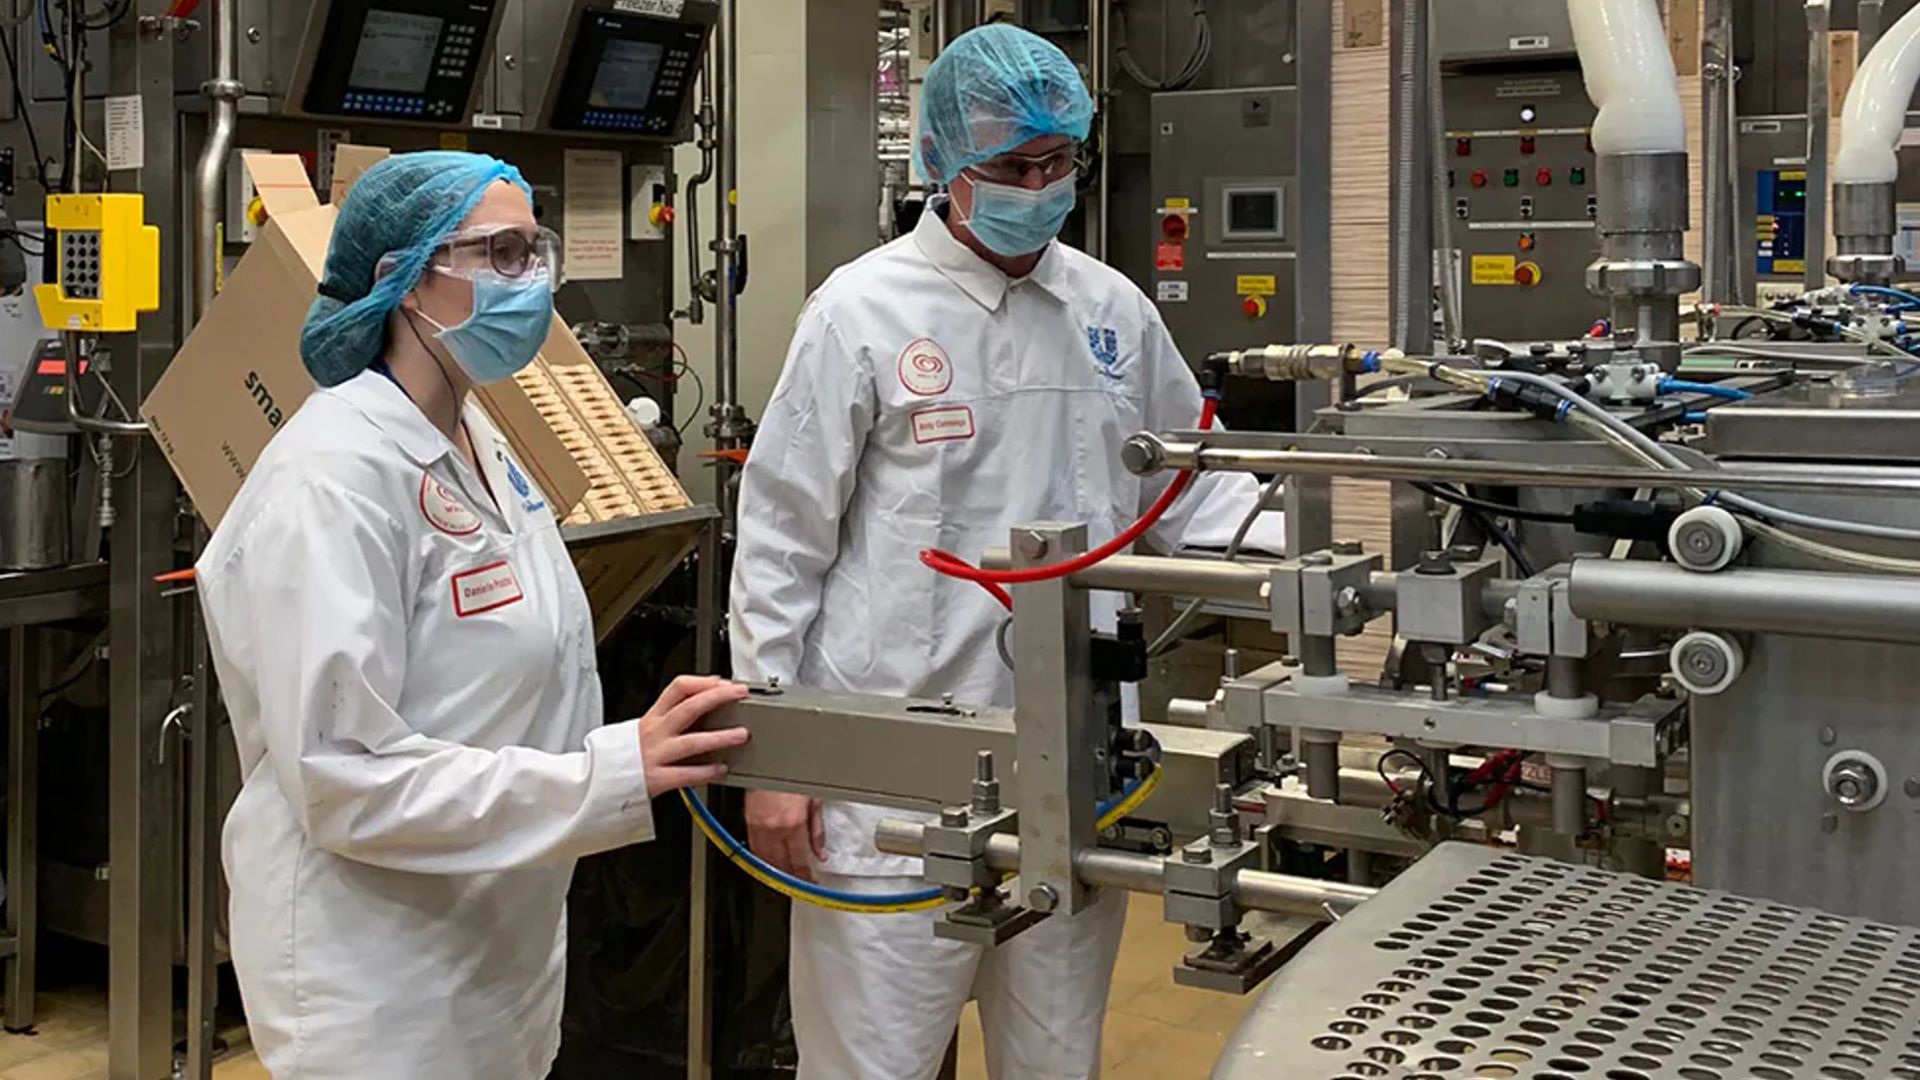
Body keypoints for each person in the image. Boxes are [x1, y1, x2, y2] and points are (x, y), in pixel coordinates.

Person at [729, 24, 1285, 1080]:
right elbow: (781, 540)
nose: (1040, 186)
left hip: (1072, 766)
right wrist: (779, 751)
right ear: (943, 166)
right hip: (890, 778)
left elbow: (1192, 487)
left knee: (1055, 1058)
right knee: (871, 1064)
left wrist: (1330, 559)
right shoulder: (861, 311)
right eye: (1012, 168)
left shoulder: (1109, 308)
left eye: (1058, 162)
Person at [196, 151, 750, 1080]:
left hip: (497, 949)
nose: (528, 281)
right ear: (403, 281)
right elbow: (348, 778)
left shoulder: (477, 435)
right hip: (379, 980)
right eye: (497, 253)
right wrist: (611, 771)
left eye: (535, 252)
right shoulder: (332, 479)